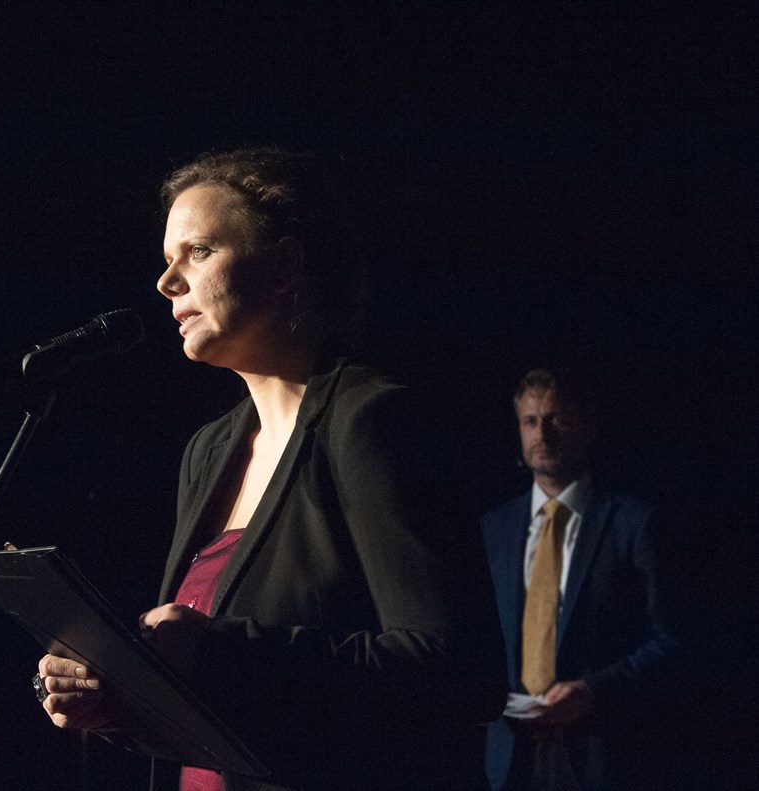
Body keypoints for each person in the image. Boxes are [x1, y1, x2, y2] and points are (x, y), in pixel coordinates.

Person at [35, 148, 507, 790]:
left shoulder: (371, 422)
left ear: (284, 267)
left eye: (198, 252)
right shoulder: (208, 450)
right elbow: (207, 699)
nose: (167, 282)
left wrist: (218, 650)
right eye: (167, 259)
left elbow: (459, 675)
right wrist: (112, 700)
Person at [480, 368, 682, 790]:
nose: (542, 434)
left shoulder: (634, 524)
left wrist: (593, 692)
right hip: (510, 757)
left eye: (557, 419)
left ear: (588, 428)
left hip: (601, 755)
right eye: (530, 421)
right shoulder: (494, 528)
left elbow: (673, 640)